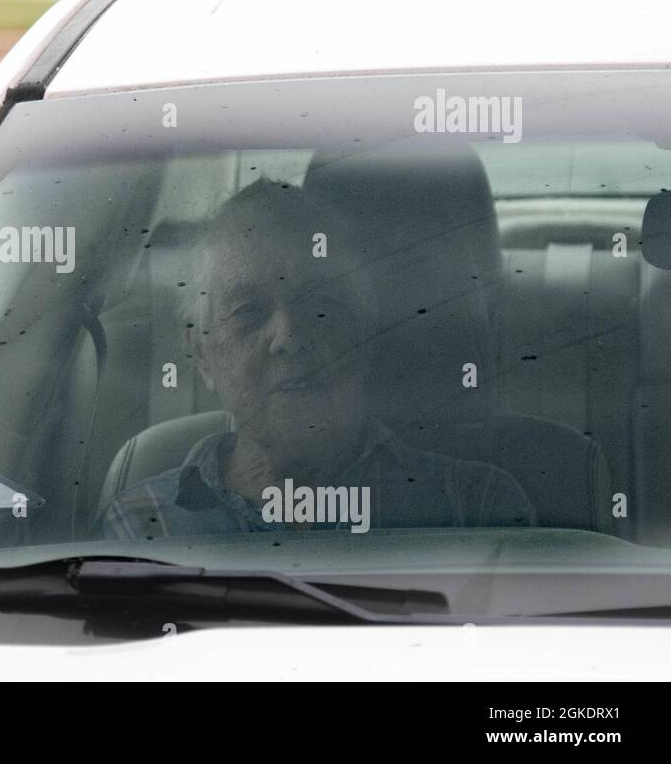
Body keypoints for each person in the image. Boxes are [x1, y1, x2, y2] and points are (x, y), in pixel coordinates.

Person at [97, 179, 535, 540]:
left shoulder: (475, 510)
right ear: (202, 354)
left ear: (366, 329)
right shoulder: (140, 526)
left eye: (321, 306)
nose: (288, 337)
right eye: (248, 312)